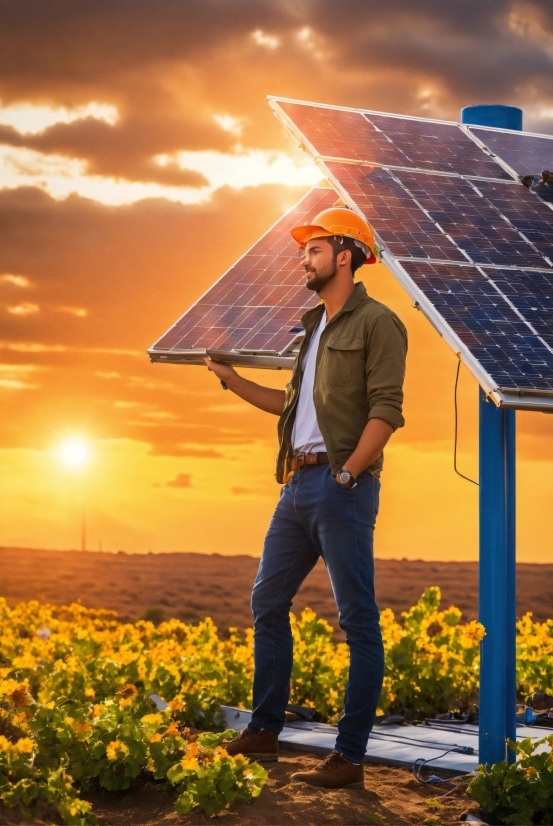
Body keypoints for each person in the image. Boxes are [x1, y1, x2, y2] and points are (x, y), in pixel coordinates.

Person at [205, 206, 407, 790]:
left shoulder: (379, 323)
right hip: (296, 485)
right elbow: (290, 408)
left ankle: (347, 757)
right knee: (267, 601)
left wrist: (348, 475)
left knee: (357, 621)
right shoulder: (312, 326)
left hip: (342, 488)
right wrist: (231, 378)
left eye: (314, 250)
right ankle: (265, 729)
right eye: (305, 250)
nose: (304, 258)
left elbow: (386, 409)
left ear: (345, 256)